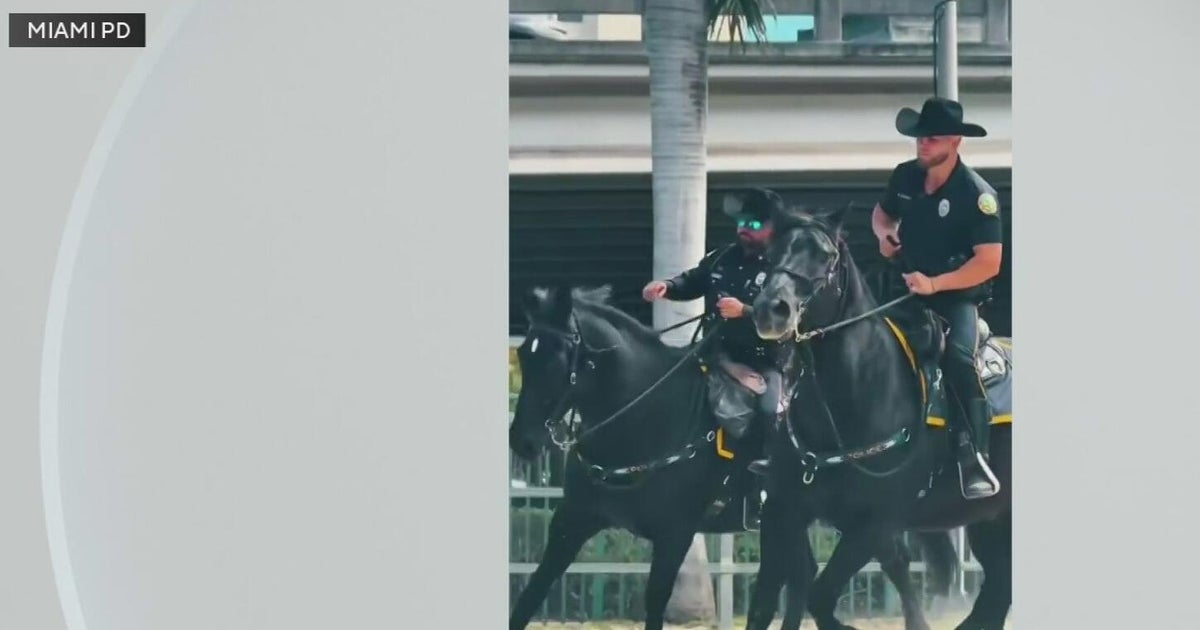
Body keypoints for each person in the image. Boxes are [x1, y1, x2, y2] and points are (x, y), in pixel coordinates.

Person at [871, 96, 1004, 500]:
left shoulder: (977, 195)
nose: (922, 145)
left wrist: (937, 285)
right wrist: (884, 236)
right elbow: (881, 214)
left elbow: (989, 263)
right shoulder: (905, 176)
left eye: (931, 139)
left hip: (955, 299)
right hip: (904, 291)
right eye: (919, 138)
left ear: (955, 143)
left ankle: (974, 457)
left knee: (960, 360)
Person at [642, 187, 787, 474]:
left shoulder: (782, 268)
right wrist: (667, 287)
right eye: (742, 222)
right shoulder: (721, 258)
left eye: (754, 224)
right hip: (713, 352)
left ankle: (768, 472)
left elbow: (785, 317)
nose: (745, 229)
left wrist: (745, 311)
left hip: (764, 360)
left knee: (770, 411)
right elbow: (693, 281)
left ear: (773, 228)